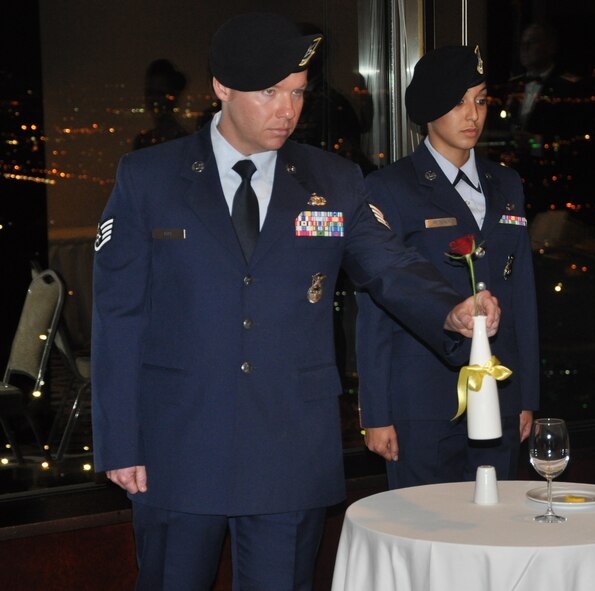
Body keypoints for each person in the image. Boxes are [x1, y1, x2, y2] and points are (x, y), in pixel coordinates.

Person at [91, 13, 500, 591]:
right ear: (222, 89)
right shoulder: (149, 179)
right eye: (269, 93)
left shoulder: (333, 180)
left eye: (298, 94)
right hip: (177, 447)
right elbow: (118, 318)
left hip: (288, 445)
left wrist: (450, 308)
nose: (288, 110)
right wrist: (120, 441)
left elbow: (388, 263)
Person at [356, 45, 539, 489]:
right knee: (425, 532)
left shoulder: (507, 183)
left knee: (496, 526)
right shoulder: (390, 188)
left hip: (500, 391)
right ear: (428, 110)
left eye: (479, 100)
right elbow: (376, 306)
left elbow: (522, 295)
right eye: (457, 103)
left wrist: (527, 396)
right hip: (420, 399)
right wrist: (376, 413)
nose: (472, 115)